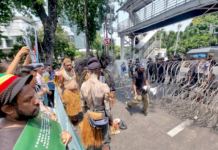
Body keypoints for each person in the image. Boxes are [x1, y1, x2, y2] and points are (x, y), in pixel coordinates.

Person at [0, 74, 72, 150]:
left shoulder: (28, 114)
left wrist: (62, 134)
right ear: (8, 109)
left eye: (34, 95)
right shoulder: (7, 145)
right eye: (28, 99)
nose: (37, 101)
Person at [80, 57, 113, 150]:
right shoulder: (104, 86)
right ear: (99, 71)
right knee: (105, 141)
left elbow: (82, 104)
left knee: (90, 138)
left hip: (89, 114)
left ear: (89, 71)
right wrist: (111, 119)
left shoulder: (83, 85)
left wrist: (85, 115)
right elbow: (108, 109)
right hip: (101, 115)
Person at [57, 58, 81, 129]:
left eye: (70, 65)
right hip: (68, 93)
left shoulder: (73, 71)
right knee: (69, 109)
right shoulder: (61, 73)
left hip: (75, 92)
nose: (69, 66)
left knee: (74, 108)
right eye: (67, 65)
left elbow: (76, 81)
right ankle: (70, 123)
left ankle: (73, 119)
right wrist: (61, 98)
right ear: (64, 65)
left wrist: (79, 92)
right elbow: (59, 87)